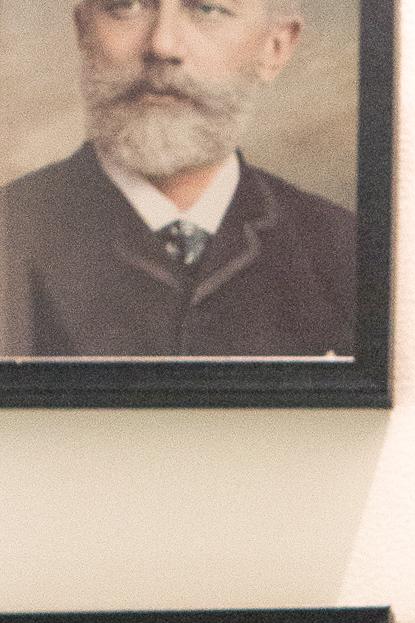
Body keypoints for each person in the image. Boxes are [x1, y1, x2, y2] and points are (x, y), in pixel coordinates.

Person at [0, 0, 356, 360]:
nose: (162, 45)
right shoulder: (9, 232)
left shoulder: (346, 249)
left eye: (207, 9)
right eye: (125, 6)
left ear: (274, 48)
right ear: (84, 32)